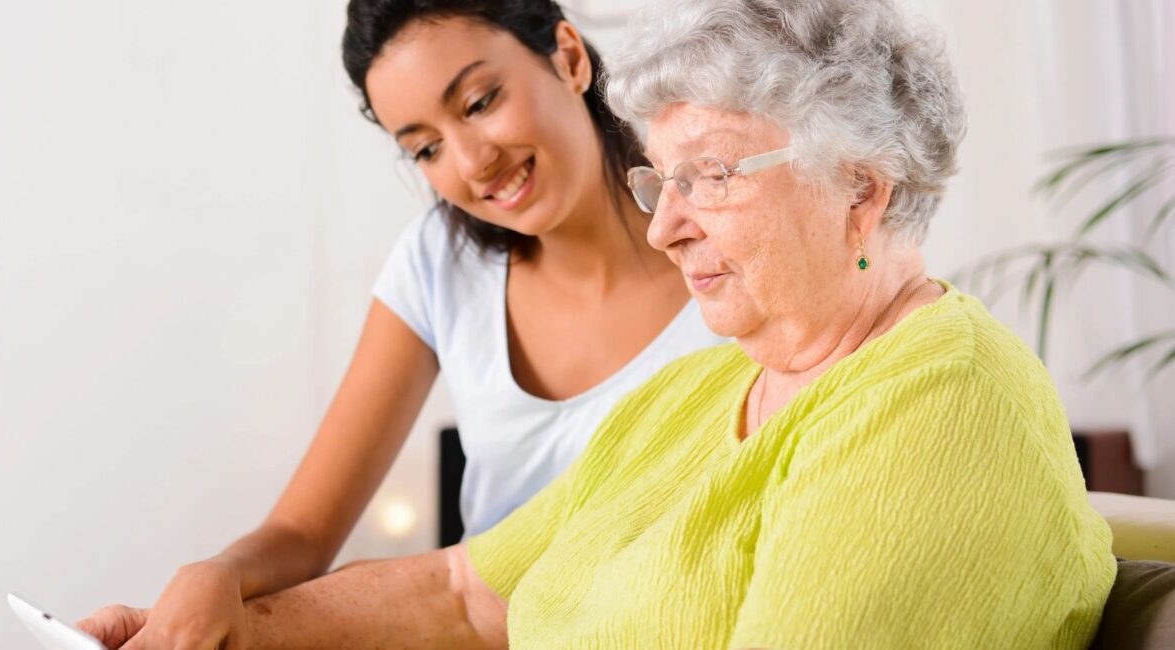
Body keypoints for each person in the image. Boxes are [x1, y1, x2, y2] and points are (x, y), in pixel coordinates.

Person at [79, 0, 1116, 647]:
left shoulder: (936, 403)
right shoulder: (707, 385)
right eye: (660, 180)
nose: (667, 225)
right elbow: (462, 592)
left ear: (862, 189)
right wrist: (222, 633)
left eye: (708, 175)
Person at [78, 1, 725, 647]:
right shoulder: (440, 261)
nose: (472, 162)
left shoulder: (728, 246)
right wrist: (217, 576)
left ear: (570, 56)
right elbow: (303, 534)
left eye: (479, 102)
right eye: (426, 147)